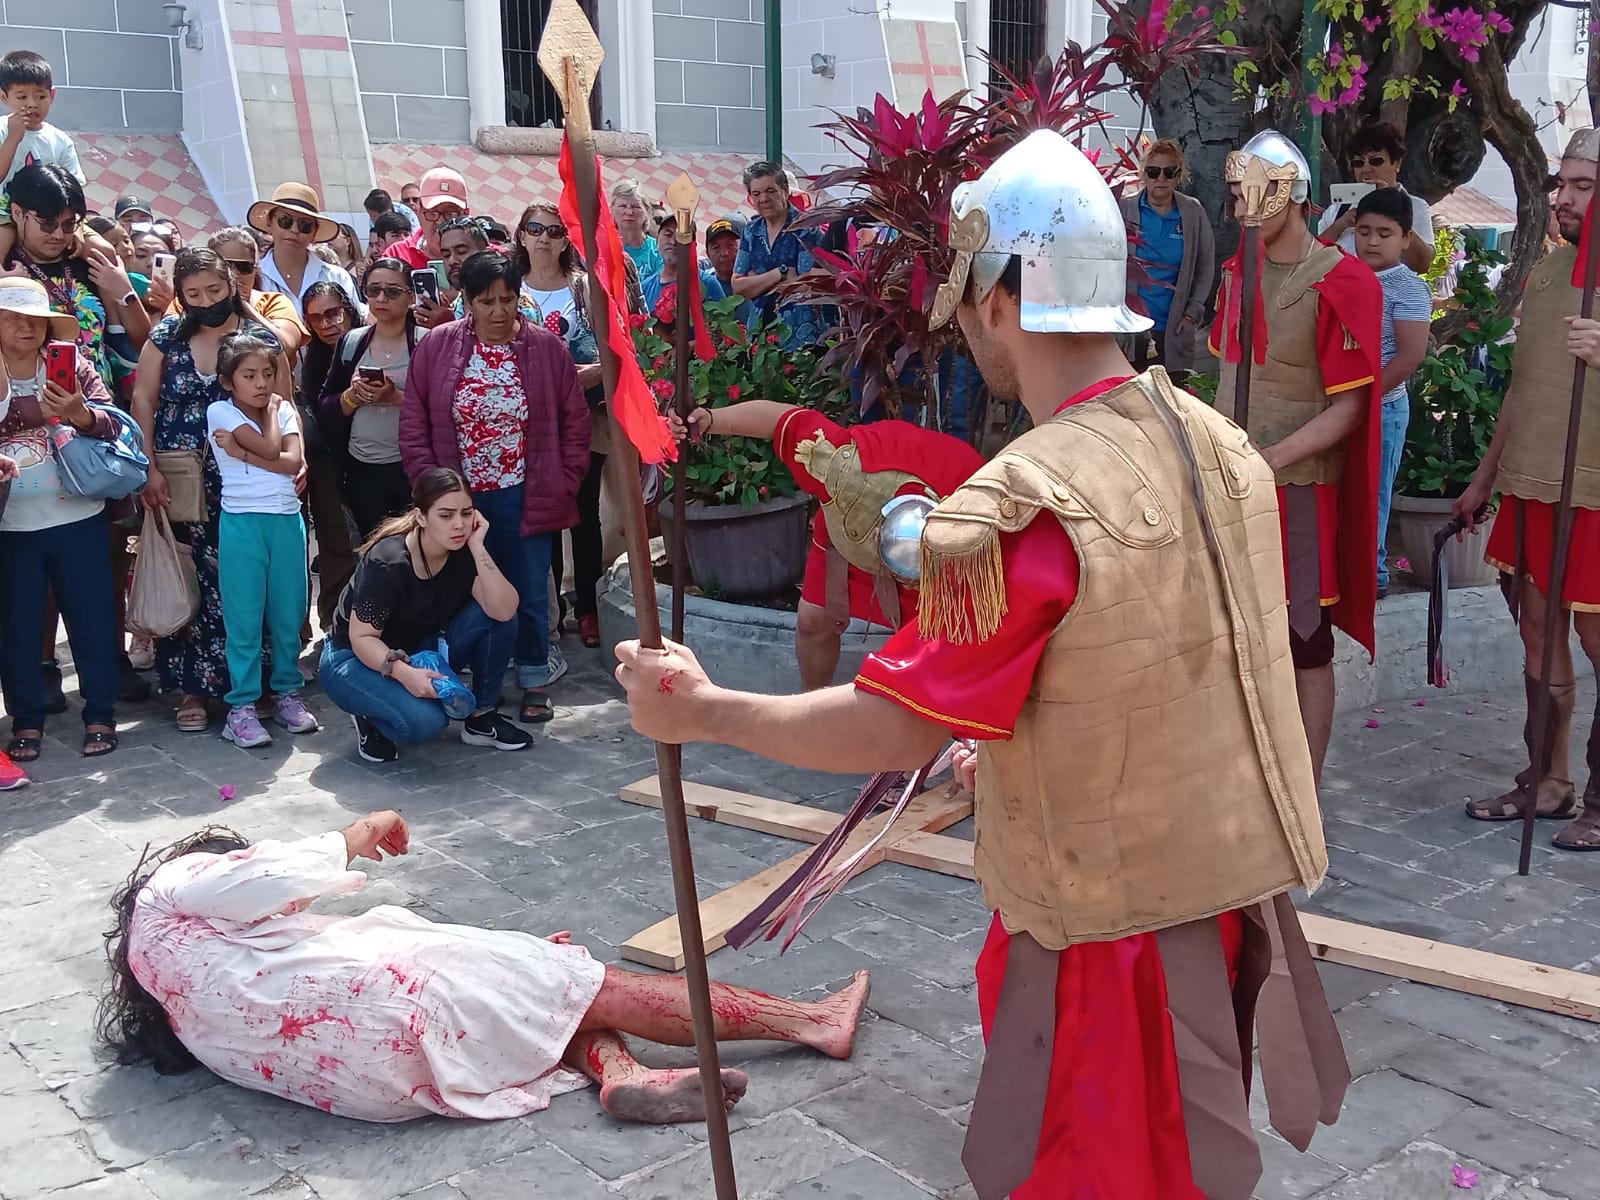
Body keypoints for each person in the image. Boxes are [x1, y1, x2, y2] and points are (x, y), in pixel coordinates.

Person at [617, 128, 1347, 1200]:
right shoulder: (1219, 441)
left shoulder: (1026, 500)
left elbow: (892, 724)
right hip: (1227, 899)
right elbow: (1149, 657)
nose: (964, 330)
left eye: (966, 305)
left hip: (1112, 938)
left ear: (1001, 296)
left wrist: (710, 710)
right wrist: (1013, 744)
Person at [99, 808, 872, 1123]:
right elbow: (266, 881)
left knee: (533, 988)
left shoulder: (184, 1007)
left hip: (381, 1089)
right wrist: (352, 836)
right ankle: (811, 1021)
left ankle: (622, 1077)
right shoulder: (172, 891)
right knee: (581, 981)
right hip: (399, 1005)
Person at [1211, 130, 1385, 790]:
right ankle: (1246, 788)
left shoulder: (1341, 281)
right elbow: (1226, 375)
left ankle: (1303, 794)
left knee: (1303, 641)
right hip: (1230, 486)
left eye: (1249, 192)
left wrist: (1272, 456)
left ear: (1290, 195)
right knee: (1233, 636)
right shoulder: (1237, 273)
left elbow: (1349, 409)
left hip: (1299, 490)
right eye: (1233, 194)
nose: (1238, 207)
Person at [1454, 126, 1600, 849]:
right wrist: (1486, 477)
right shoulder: (1547, 274)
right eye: (1562, 183)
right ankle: (1548, 777)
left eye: (1583, 185)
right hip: (1534, 483)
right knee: (1539, 642)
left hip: (1598, 492)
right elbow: (1521, 387)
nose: (1565, 198)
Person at [671, 398, 982, 688]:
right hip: (845, 525)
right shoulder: (832, 459)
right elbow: (779, 419)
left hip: (940, 551)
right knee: (813, 620)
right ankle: (814, 705)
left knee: (938, 639)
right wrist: (710, 419)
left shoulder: (973, 495)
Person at [400, 251, 590, 723]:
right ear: (468, 301)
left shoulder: (546, 349)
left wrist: (564, 482)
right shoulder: (438, 347)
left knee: (526, 589)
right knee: (456, 590)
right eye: (487, 302)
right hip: (456, 500)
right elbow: (414, 422)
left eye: (508, 300)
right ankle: (464, 676)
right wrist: (432, 490)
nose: (500, 312)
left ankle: (533, 678)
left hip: (524, 493)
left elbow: (575, 423)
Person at [5, 164, 150, 708]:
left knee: (105, 547)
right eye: (48, 221)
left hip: (94, 422)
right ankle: (41, 664)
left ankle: (106, 654)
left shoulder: (90, 268)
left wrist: (120, 289)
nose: (60, 234)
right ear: (17, 214)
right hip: (22, 427)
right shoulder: (7, 274)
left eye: (70, 223)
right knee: (31, 552)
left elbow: (142, 341)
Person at [132, 249, 291, 733]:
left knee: (248, 584)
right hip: (181, 481)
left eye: (215, 291)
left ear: (232, 286)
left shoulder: (260, 340)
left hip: (250, 481)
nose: (205, 301)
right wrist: (148, 466)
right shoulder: (166, 337)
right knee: (193, 578)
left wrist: (288, 461)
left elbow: (284, 402)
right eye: (193, 294)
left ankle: (258, 684)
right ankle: (193, 688)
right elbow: (144, 397)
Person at [319, 468, 532, 759]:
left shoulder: (463, 548)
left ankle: (482, 718)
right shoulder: (388, 561)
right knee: (427, 723)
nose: (459, 524)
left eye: (467, 513)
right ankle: (368, 714)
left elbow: (505, 609)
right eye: (446, 516)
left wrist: (478, 546)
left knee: (494, 618)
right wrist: (406, 675)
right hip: (354, 658)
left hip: (418, 648)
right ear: (421, 517)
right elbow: (362, 637)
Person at [0, 278, 121, 761]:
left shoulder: (75, 366)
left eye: (34, 318)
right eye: (12, 316)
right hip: (10, 527)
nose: (26, 325)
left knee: (92, 619)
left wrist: (81, 415)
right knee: (18, 627)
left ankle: (101, 714)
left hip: (78, 515)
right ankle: (26, 719)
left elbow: (116, 424)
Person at [205, 333, 318, 749]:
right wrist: (267, 425)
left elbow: (290, 462)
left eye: (268, 374)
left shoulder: (284, 408)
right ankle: (242, 708)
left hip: (286, 521)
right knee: (244, 618)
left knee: (288, 614)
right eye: (248, 375)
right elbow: (275, 447)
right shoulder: (220, 411)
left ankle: (287, 695)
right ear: (227, 381)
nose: (260, 384)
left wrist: (244, 453)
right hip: (242, 523)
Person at [512, 202, 607, 649]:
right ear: (522, 236)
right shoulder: (507, 288)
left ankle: (588, 606)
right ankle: (552, 609)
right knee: (543, 518)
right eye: (535, 229)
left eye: (554, 230)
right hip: (527, 422)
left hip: (585, 414)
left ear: (567, 239)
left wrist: (593, 371)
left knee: (584, 515)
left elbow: (617, 346)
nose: (545, 237)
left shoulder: (584, 288)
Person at [1352, 188, 1431, 595]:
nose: (1372, 241)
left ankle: (1373, 575)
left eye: (1384, 232)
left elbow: (1409, 357)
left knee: (1374, 494)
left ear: (1405, 238)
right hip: (1338, 406)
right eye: (1364, 231)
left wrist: (1361, 398)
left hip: (1382, 408)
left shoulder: (1409, 288)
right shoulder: (1342, 274)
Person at [317, 257, 420, 537]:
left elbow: (442, 408)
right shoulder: (351, 342)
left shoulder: (426, 342)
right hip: (362, 469)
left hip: (412, 468)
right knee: (374, 550)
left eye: (393, 291)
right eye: (373, 290)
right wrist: (352, 397)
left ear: (411, 297)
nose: (381, 298)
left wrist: (395, 397)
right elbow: (325, 406)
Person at [1118, 138, 1215, 375]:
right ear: (1143, 174)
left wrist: (1192, 313)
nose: (1160, 179)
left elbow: (1206, 265)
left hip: (1173, 328)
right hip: (1130, 327)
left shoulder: (1192, 212)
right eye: (1153, 172)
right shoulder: (1124, 209)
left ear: (1178, 175)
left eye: (1169, 172)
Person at [296, 280, 361, 634]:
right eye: (316, 319)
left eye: (333, 313)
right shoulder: (315, 359)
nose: (326, 325)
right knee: (337, 548)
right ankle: (335, 625)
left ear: (348, 309)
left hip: (376, 461)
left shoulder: (371, 344)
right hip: (328, 462)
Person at [0, 51, 84, 270]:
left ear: (52, 95)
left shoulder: (59, 140)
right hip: (5, 212)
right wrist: (12, 139)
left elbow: (75, 190)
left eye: (40, 96)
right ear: (4, 97)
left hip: (55, 216)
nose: (32, 104)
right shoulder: (1, 130)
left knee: (102, 249)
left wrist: (78, 228)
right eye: (21, 97)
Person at [1317, 122, 1435, 274]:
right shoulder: (1340, 208)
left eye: (1376, 161)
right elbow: (1313, 257)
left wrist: (1394, 209)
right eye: (1358, 163)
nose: (1366, 169)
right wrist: (1340, 225)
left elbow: (1422, 265)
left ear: (1397, 163)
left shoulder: (1416, 207)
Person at [732, 162, 827, 349]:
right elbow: (738, 286)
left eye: (770, 191)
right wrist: (780, 273)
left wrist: (757, 281)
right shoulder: (751, 231)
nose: (764, 199)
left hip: (801, 338)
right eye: (756, 194)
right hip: (760, 337)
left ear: (785, 190)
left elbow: (803, 285)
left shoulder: (806, 228)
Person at [250, 182, 361, 321]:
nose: (294, 230)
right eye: (285, 221)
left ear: (314, 233)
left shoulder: (337, 277)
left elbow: (356, 327)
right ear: (269, 223)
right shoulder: (252, 276)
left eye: (305, 225)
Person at [204, 226, 305, 359]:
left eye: (244, 267)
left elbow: (287, 347)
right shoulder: (190, 302)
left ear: (255, 269)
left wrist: (240, 305)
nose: (233, 274)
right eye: (225, 266)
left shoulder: (274, 303)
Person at [641, 212, 727, 326]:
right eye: (668, 234)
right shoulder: (645, 287)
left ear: (693, 245)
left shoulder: (707, 284)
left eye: (682, 236)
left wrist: (684, 344)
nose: (673, 242)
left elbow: (722, 334)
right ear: (657, 240)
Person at [387, 166, 469, 273]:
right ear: (420, 211)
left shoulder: (484, 255)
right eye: (432, 213)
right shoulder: (397, 255)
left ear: (465, 215)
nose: (440, 222)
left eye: (450, 214)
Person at [704, 214, 753, 326]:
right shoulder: (704, 287)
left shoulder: (757, 282)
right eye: (716, 248)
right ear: (708, 254)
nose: (724, 253)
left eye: (731, 245)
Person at [611, 178, 663, 280]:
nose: (629, 212)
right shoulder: (604, 246)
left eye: (635, 207)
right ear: (612, 209)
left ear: (646, 211)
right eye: (623, 206)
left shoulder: (657, 250)